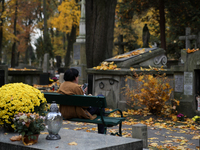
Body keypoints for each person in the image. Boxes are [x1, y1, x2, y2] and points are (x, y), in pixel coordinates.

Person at [58, 68, 105, 134]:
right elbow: (85, 105)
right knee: (100, 98)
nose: (78, 78)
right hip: (77, 113)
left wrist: (82, 93)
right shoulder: (76, 87)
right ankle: (102, 129)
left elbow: (75, 97)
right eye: (77, 76)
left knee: (100, 107)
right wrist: (89, 97)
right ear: (75, 77)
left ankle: (102, 125)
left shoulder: (62, 85)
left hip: (65, 112)